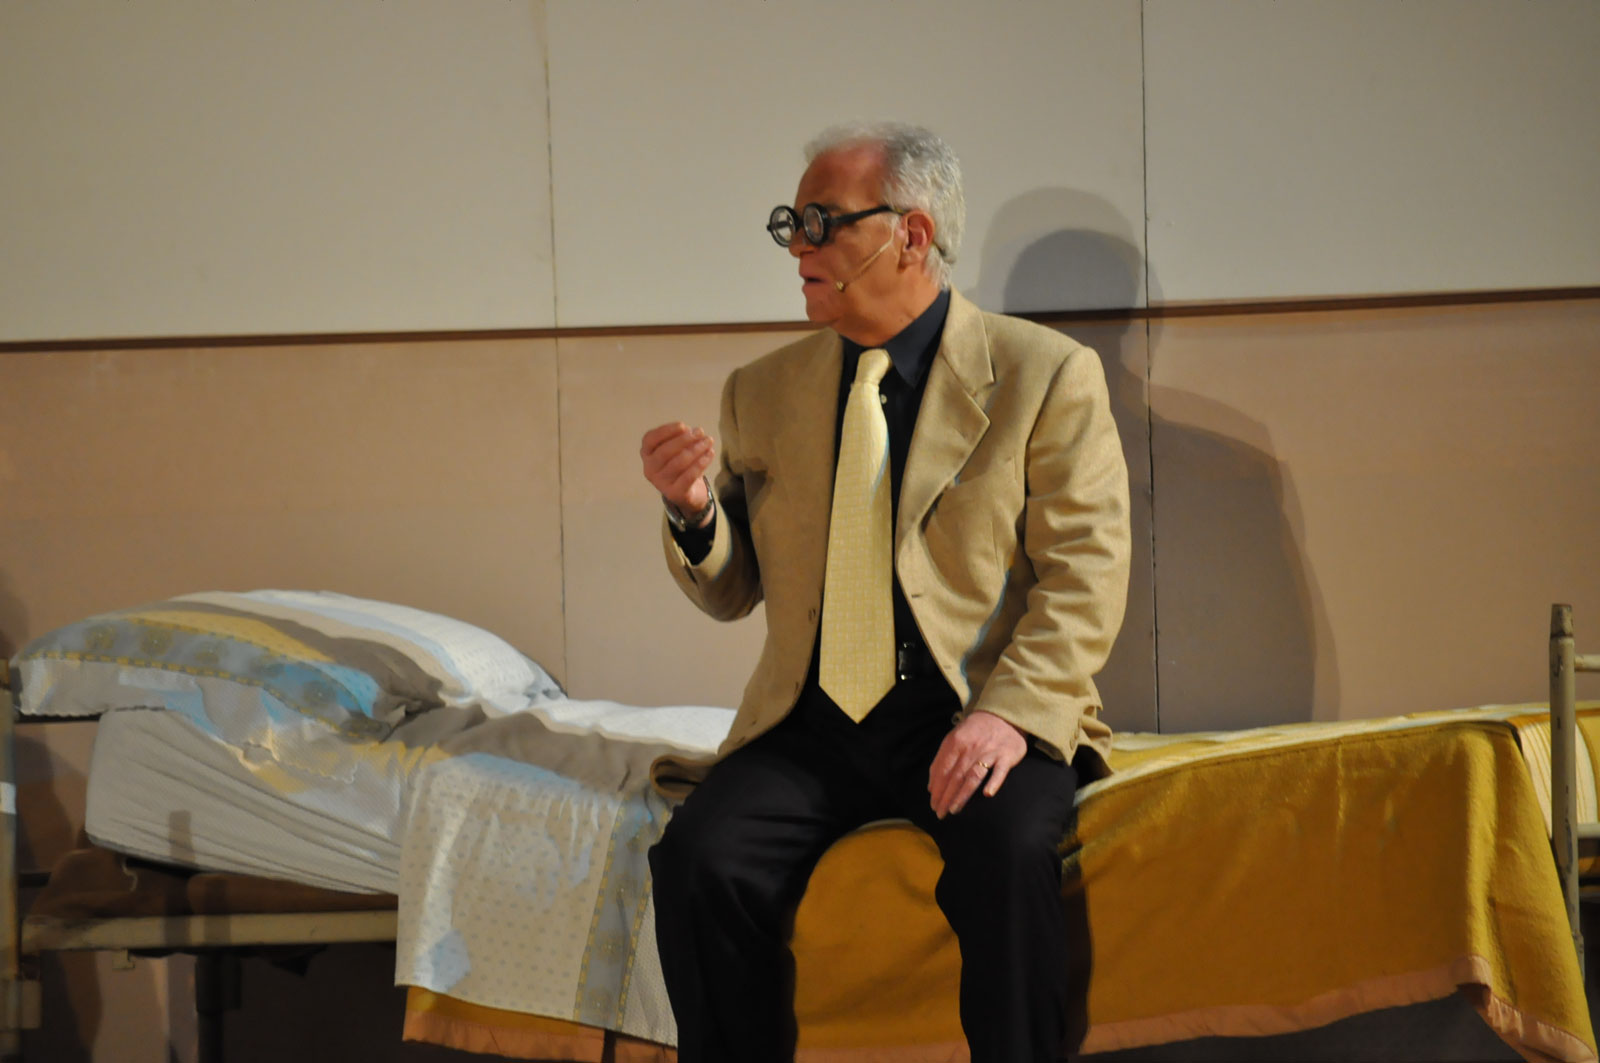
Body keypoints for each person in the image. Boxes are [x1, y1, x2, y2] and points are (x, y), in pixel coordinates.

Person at [639, 121, 1131, 1063]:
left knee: (1007, 851)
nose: (798, 246)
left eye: (821, 221)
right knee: (700, 858)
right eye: (790, 222)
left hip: (974, 707)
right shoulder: (761, 390)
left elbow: (1085, 575)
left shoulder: (1044, 373)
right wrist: (694, 512)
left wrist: (1009, 717)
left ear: (911, 233)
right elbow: (734, 590)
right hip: (812, 726)